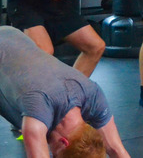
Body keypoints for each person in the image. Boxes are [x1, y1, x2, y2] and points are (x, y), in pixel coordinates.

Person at [0, 25, 130, 158]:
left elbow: (117, 150)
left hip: (11, 34)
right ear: (64, 142)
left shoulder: (94, 95)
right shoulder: (36, 119)